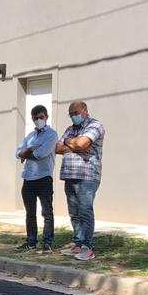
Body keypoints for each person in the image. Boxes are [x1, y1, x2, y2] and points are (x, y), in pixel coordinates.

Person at [56, 100, 105, 261]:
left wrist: (70, 142)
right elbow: (57, 148)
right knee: (74, 213)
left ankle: (87, 247)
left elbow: (83, 144)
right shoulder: (70, 129)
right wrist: (75, 144)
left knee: (85, 211)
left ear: (85, 110)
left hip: (87, 176)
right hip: (69, 175)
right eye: (71, 115)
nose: (73, 117)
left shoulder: (95, 125)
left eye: (76, 113)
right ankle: (77, 244)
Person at [15, 104, 59, 252]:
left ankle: (47, 243)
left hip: (44, 178)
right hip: (28, 179)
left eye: (41, 117)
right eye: (36, 118)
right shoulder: (30, 136)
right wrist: (28, 150)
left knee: (47, 212)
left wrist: (28, 151)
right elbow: (17, 152)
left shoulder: (52, 134)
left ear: (46, 117)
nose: (39, 120)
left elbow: (41, 153)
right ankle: (31, 241)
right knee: (30, 213)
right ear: (32, 119)